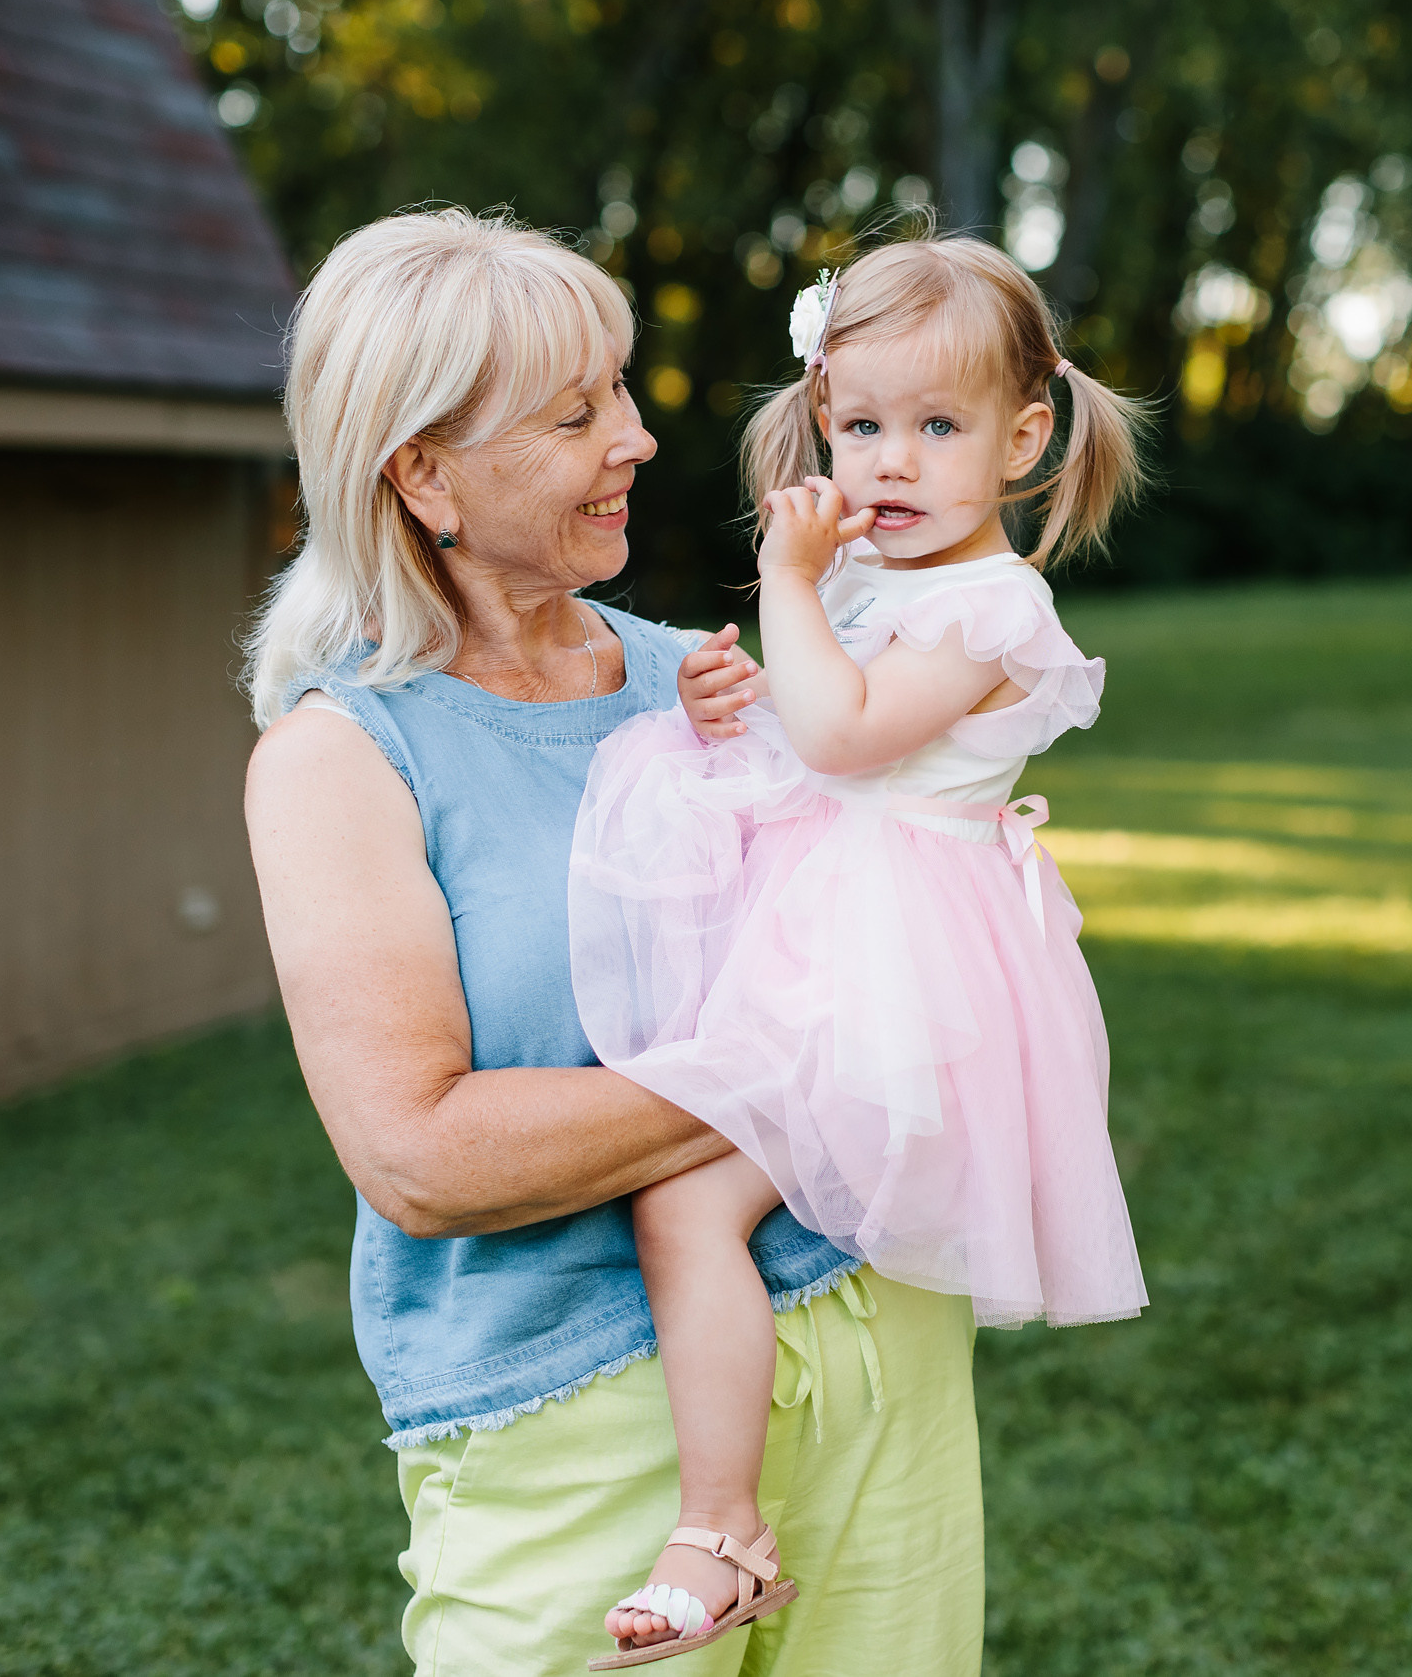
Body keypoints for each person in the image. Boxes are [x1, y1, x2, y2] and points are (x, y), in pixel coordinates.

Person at [242, 208, 985, 1675]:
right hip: (574, 1424)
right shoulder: (344, 758)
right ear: (424, 476)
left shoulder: (700, 680)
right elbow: (424, 1153)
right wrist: (786, 1061)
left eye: (624, 393)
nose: (638, 438)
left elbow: (886, 906)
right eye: (579, 412)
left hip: (872, 1343)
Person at [567, 234, 1151, 1664]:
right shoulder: (890, 583)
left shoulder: (992, 605)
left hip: (893, 976)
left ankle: (720, 1534)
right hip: (833, 936)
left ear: (1024, 439)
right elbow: (804, 726)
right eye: (864, 423)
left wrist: (786, 576)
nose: (891, 462)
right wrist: (730, 698)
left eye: (938, 428)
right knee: (685, 1202)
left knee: (688, 1207)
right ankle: (725, 1526)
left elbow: (845, 736)